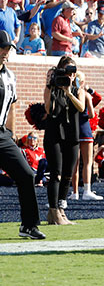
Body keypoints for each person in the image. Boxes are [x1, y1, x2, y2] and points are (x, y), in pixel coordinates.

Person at [0, 31, 45, 238]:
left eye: (7, 48)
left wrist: (11, 133)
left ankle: (29, 225)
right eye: (2, 47)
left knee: (27, 175)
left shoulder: (10, 76)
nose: (5, 52)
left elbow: (12, 107)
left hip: (2, 136)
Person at [44, 56, 85, 225]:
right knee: (57, 173)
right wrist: (51, 86)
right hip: (54, 134)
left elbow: (81, 108)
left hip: (72, 135)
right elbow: (48, 108)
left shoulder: (78, 89)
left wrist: (69, 91)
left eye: (72, 71)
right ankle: (53, 211)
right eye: (66, 70)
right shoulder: (52, 88)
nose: (70, 75)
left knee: (68, 174)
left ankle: (60, 210)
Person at [69, 71, 103, 201]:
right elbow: (92, 115)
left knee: (74, 163)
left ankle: (75, 192)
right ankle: (87, 190)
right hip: (84, 129)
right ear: (82, 82)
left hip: (73, 129)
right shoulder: (86, 94)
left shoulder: (70, 95)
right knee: (88, 162)